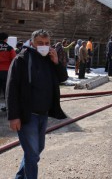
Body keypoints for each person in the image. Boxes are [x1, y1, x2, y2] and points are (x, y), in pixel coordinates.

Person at [6, 29, 68, 178]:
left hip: (43, 114)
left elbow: (63, 78)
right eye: (40, 43)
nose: (44, 46)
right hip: (28, 115)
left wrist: (57, 63)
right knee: (32, 154)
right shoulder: (22, 59)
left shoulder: (49, 59)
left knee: (36, 150)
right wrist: (13, 116)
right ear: (32, 42)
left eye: (47, 43)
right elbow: (11, 89)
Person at [0, 32, 16, 111]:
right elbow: (14, 59)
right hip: (6, 72)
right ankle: (7, 107)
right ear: (6, 39)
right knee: (7, 90)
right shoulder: (9, 48)